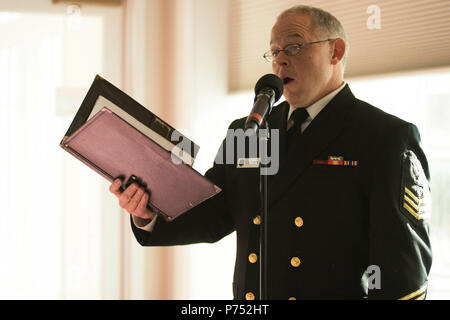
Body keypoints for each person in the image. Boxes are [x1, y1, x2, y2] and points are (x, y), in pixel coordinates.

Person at [109, 5, 432, 300]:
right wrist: (148, 213)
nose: (280, 59)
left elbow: (403, 274)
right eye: (274, 52)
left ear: (336, 51)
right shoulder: (249, 130)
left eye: (294, 46)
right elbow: (213, 214)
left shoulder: (385, 137)